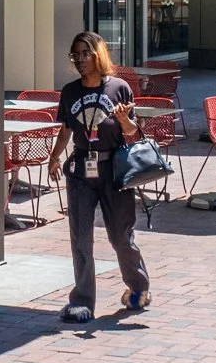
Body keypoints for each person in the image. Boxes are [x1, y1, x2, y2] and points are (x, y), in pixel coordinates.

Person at [48, 31, 152, 323]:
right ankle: (82, 301)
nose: (80, 60)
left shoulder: (119, 88)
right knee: (81, 238)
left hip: (114, 170)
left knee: (121, 237)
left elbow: (132, 134)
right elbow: (67, 128)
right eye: (75, 55)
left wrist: (123, 120)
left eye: (85, 54)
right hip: (81, 169)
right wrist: (55, 157)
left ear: (98, 54)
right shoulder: (69, 91)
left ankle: (138, 287)